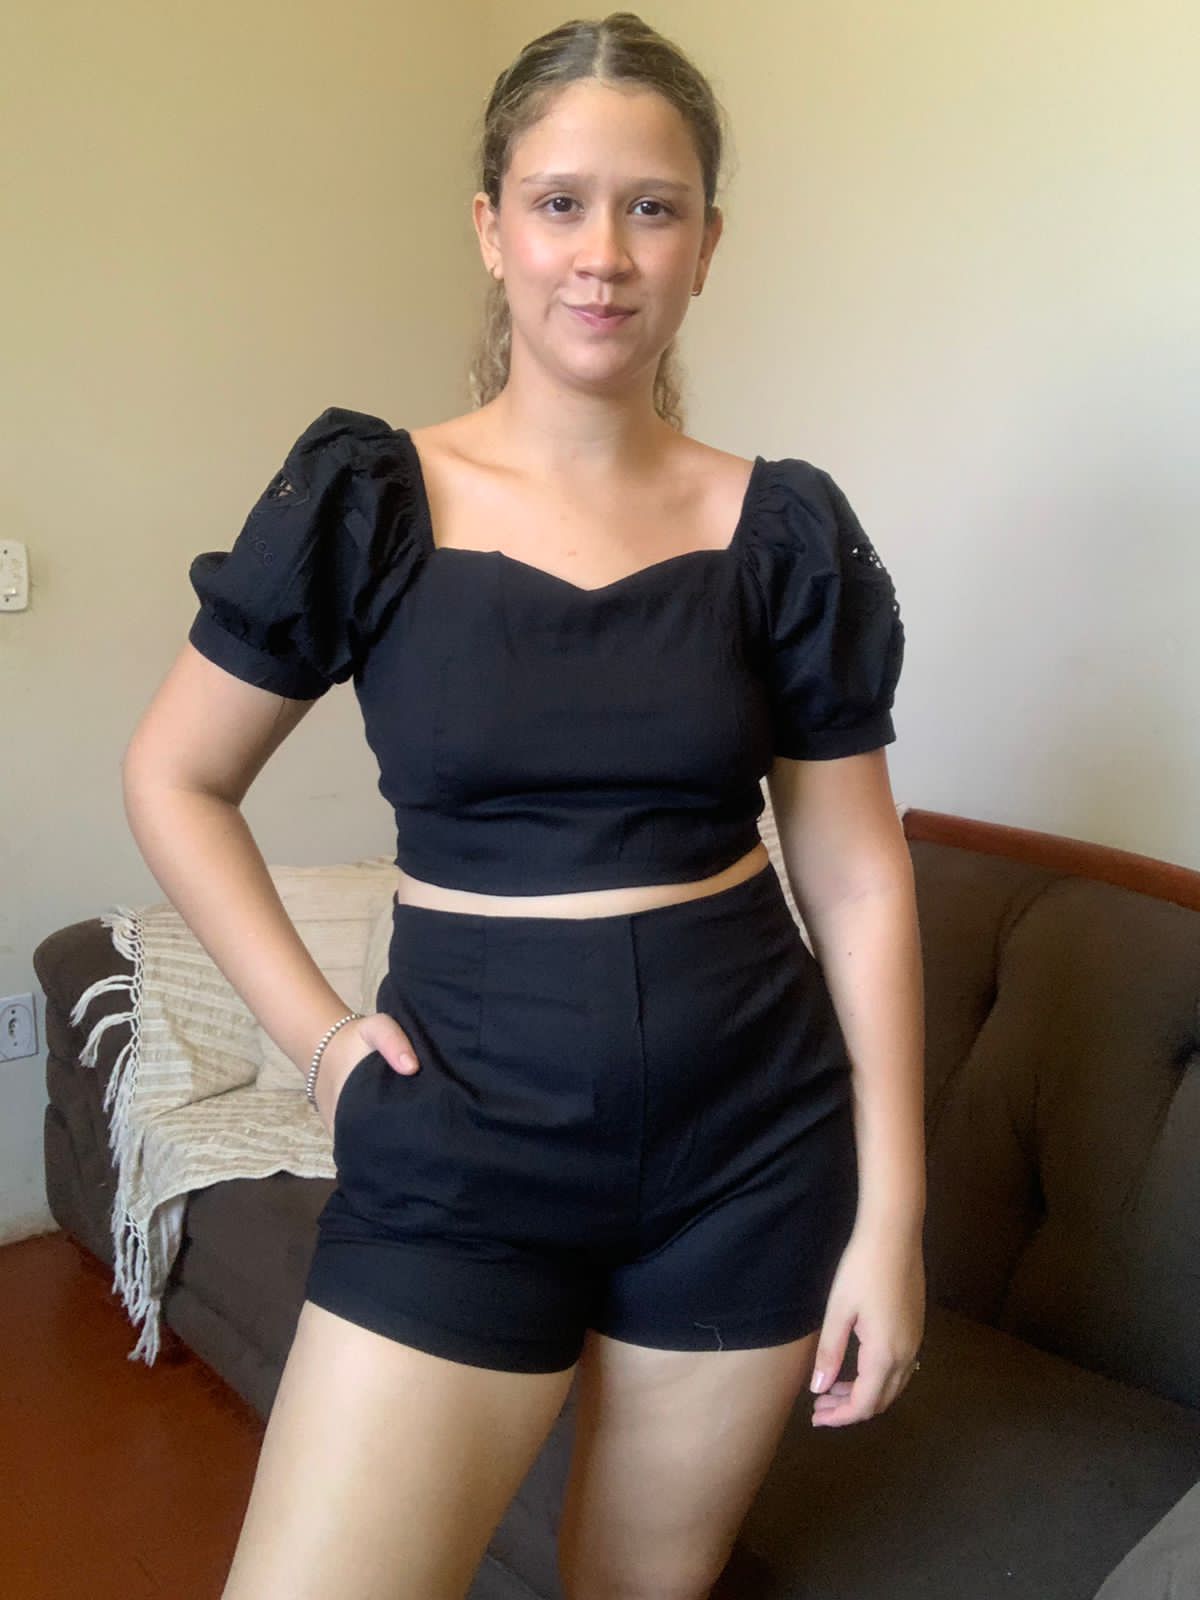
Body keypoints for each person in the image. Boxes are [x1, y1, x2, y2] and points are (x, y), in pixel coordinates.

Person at [122, 12, 926, 1599]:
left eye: (653, 207)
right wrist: (324, 1048)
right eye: (561, 203)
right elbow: (177, 776)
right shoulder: (369, 500)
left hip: (754, 1151)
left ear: (707, 245)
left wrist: (892, 1212)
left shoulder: (783, 531)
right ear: (492, 229)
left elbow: (857, 876)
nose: (604, 255)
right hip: (461, 1145)